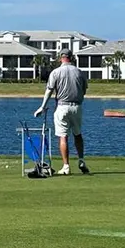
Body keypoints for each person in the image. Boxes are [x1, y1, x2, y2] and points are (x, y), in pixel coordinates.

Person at [30, 50, 89, 178]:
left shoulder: (56, 72)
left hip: (62, 107)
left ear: (60, 58)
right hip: (77, 107)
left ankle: (66, 166)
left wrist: (42, 107)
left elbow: (49, 90)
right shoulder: (79, 72)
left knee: (63, 136)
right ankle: (81, 160)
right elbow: (84, 90)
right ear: (71, 58)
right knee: (78, 134)